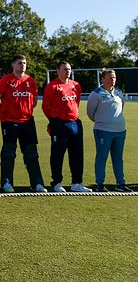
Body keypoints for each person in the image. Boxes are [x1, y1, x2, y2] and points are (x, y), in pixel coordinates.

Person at [0, 54, 47, 193]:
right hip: (10, 122)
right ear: (13, 65)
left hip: (27, 121)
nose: (22, 65)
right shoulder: (6, 80)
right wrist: (4, 113)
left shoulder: (31, 81)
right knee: (9, 153)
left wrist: (25, 111)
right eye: (19, 63)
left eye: (24, 63)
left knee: (32, 154)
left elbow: (33, 101)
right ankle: (7, 182)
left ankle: (37, 183)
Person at [42, 61, 91, 193]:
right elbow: (45, 107)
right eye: (65, 69)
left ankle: (77, 182)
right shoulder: (52, 86)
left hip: (75, 123)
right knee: (58, 154)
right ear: (58, 70)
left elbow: (77, 102)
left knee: (77, 154)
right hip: (59, 124)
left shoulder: (76, 85)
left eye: (69, 69)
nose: (68, 71)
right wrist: (54, 121)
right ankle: (56, 183)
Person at [87, 69, 132, 192]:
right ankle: (100, 184)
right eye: (110, 77)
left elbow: (121, 107)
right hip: (103, 131)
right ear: (102, 79)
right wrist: (103, 121)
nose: (113, 80)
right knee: (102, 157)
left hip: (120, 131)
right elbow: (90, 113)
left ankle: (120, 183)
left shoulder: (119, 92)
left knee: (118, 158)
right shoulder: (96, 93)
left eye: (114, 77)